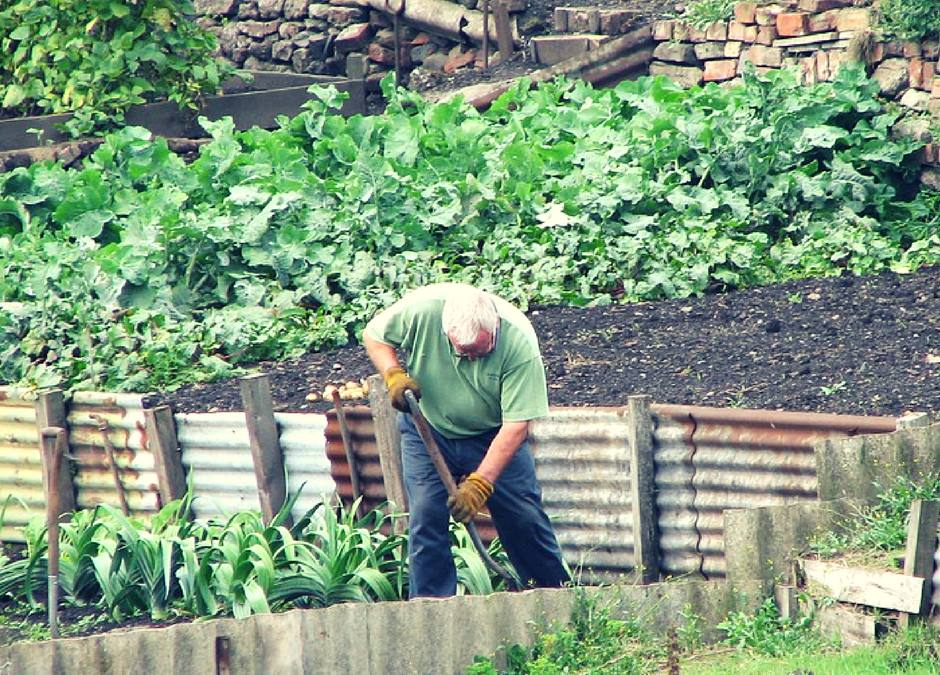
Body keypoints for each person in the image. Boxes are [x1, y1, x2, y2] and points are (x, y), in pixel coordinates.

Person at [362, 282, 570, 598]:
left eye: (480, 351)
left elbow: (516, 426)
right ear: (445, 332)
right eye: (463, 351)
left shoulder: (520, 343)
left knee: (524, 518)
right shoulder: (422, 310)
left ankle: (554, 598)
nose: (471, 358)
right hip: (428, 430)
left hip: (493, 435)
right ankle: (431, 608)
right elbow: (374, 335)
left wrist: (480, 484)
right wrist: (393, 374)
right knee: (426, 515)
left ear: (494, 327)